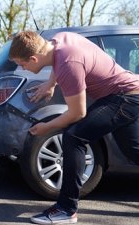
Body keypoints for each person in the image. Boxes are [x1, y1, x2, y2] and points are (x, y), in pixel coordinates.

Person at [9, 30, 139, 224]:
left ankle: (66, 208)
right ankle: (66, 208)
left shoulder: (68, 64)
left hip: (124, 97)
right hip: (128, 92)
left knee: (74, 136)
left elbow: (77, 113)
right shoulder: (60, 40)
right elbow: (57, 60)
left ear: (34, 58)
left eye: (23, 64)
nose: (24, 69)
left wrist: (47, 127)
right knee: (133, 151)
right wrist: (51, 83)